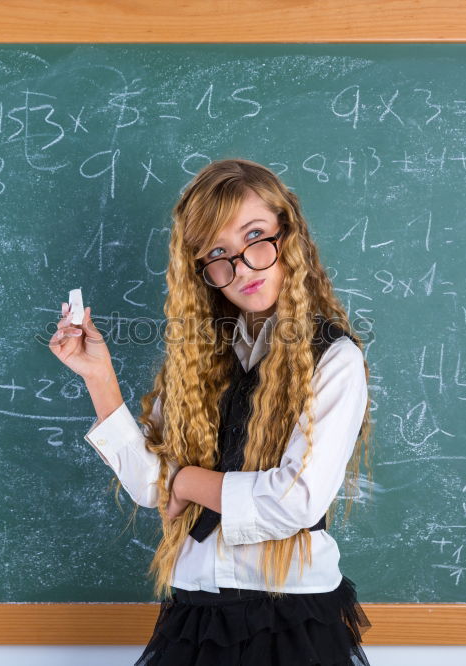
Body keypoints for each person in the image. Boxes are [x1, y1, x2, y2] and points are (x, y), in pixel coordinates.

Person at [49, 158, 374, 665]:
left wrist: (186, 482)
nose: (242, 266)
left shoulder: (333, 358)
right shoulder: (199, 358)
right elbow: (148, 483)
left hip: (289, 615)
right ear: (203, 271)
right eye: (219, 254)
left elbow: (296, 500)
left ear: (289, 234)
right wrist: (99, 377)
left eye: (256, 237)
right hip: (194, 613)